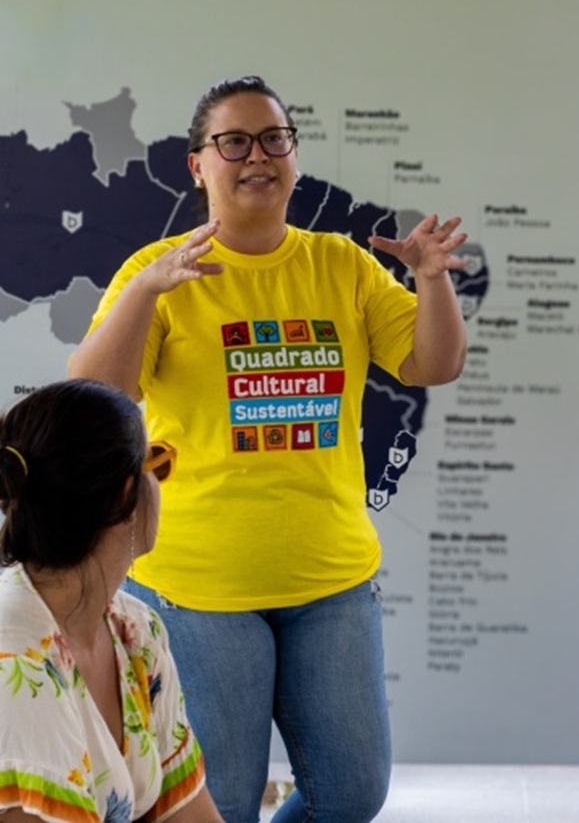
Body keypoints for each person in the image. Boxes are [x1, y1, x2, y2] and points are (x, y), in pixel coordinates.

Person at [67, 75, 469, 823]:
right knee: (220, 803)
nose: (258, 155)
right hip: (199, 589)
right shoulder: (160, 271)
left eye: (274, 139)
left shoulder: (340, 265)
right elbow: (96, 395)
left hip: (331, 581)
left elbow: (431, 364)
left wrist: (431, 281)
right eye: (234, 142)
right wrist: (145, 294)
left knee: (351, 794)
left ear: (294, 155)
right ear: (198, 165)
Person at [0, 379, 223, 823]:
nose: (161, 482)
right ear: (126, 495)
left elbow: (190, 814)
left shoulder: (136, 630)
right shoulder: (14, 663)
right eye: (157, 462)